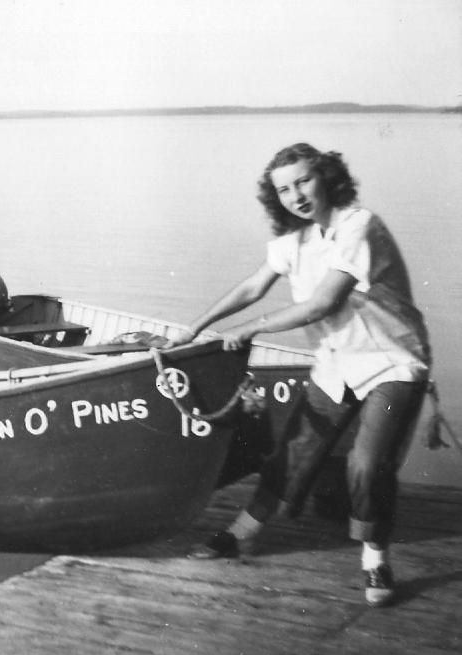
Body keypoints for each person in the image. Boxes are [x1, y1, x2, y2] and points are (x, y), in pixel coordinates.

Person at [166, 143, 432, 607]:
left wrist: (251, 328)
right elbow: (253, 286)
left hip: (393, 365)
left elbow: (324, 302)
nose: (297, 196)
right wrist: (195, 328)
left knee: (366, 465)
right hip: (336, 364)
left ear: (328, 177)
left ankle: (375, 560)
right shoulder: (296, 241)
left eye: (304, 181)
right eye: (285, 190)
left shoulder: (360, 226)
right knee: (292, 452)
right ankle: (243, 533)